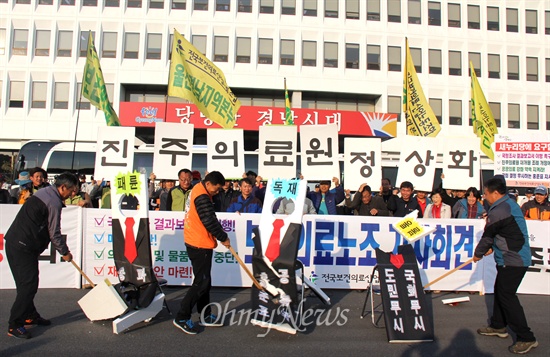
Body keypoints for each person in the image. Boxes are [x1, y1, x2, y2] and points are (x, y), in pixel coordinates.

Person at [4, 172, 77, 339]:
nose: (73, 194)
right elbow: (54, 232)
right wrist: (64, 252)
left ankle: (29, 315)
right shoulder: (53, 202)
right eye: (72, 191)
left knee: (26, 284)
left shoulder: (46, 192)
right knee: (28, 285)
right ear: (63, 187)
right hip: (22, 247)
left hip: (17, 243)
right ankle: (14, 324)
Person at [474, 178, 537, 355]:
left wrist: (479, 253)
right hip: (508, 257)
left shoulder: (501, 209)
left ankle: (526, 337)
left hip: (514, 259)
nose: (484, 197)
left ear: (495, 193)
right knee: (500, 290)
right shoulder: (506, 204)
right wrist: (492, 248)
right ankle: (498, 326)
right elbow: (505, 232)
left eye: (485, 194)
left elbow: (488, 235)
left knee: (506, 295)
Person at [173, 171, 231, 335]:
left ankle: (205, 314)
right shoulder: (202, 196)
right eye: (216, 188)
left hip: (197, 240)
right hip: (198, 243)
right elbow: (209, 220)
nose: (217, 192)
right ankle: (182, 317)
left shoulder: (200, 189)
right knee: (201, 282)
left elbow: (209, 218)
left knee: (205, 280)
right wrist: (223, 237)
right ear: (208, 184)